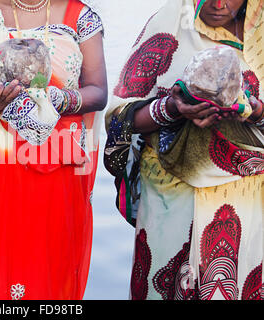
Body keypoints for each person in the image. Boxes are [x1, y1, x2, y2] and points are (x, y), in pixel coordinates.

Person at [0, 0, 107, 299]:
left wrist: (50, 102)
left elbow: (98, 91)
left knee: (50, 268)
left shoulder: (79, 15)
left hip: (57, 161)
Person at [104, 0, 263, 300]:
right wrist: (172, 108)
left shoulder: (260, 35)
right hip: (170, 207)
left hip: (246, 210)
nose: (218, 4)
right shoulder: (172, 24)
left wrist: (254, 113)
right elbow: (120, 118)